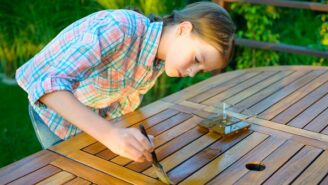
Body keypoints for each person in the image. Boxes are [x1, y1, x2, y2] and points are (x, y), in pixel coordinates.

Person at [16, 1, 236, 163]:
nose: (191, 72)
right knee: (69, 172)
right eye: (197, 59)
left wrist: (122, 132)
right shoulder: (120, 28)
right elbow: (47, 85)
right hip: (55, 117)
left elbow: (120, 97)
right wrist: (110, 135)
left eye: (200, 71)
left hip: (92, 116)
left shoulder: (157, 61)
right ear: (184, 29)